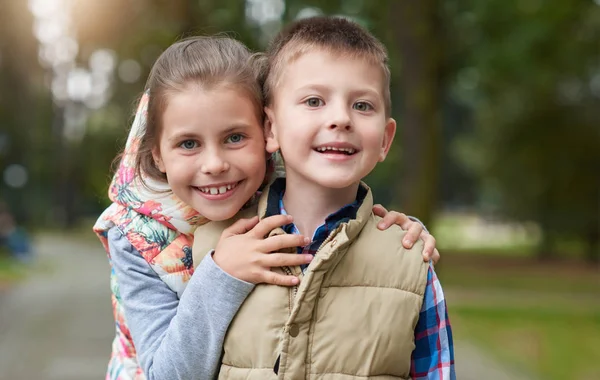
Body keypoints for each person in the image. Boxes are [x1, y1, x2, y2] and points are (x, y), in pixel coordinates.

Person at [93, 36, 440, 380]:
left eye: (234, 138)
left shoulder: (270, 194)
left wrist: (398, 233)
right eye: (188, 143)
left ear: (267, 132)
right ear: (157, 154)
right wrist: (222, 274)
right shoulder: (135, 235)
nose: (214, 164)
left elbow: (330, 188)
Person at [193, 17, 455, 379]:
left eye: (362, 105)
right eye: (314, 101)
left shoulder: (411, 261)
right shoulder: (212, 247)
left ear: (385, 140)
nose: (340, 118)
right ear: (271, 128)